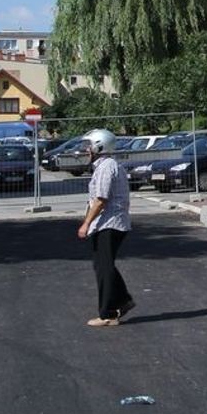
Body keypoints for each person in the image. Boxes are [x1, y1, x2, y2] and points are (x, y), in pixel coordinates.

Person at [77, 128, 134, 327]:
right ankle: (123, 300)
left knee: (104, 267)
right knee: (103, 265)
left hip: (110, 223)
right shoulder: (106, 166)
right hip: (108, 223)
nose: (86, 150)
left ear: (99, 146)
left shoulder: (106, 167)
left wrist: (86, 224)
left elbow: (101, 200)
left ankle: (108, 314)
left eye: (89, 146)